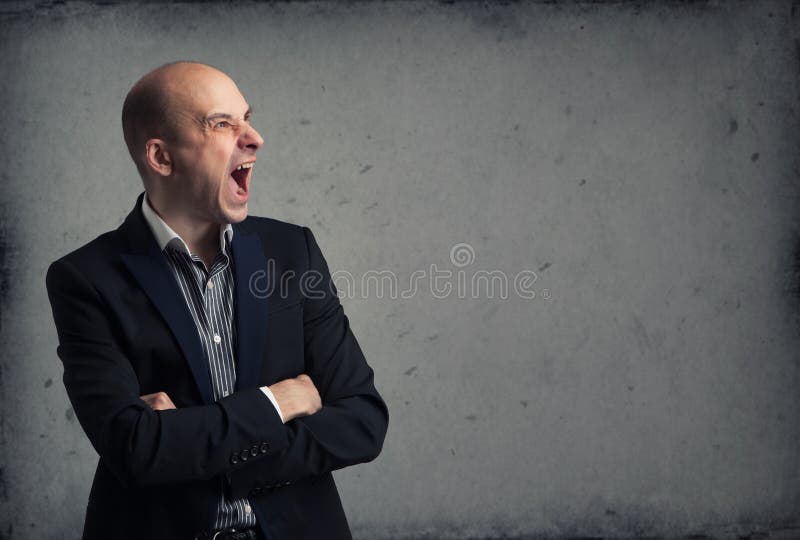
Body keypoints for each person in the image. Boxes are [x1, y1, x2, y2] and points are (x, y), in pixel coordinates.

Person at [45, 61, 389, 540]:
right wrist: (280, 401)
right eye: (223, 124)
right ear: (161, 158)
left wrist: (194, 441)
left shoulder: (293, 252)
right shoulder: (84, 278)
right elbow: (135, 449)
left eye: (247, 118)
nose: (255, 138)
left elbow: (362, 420)